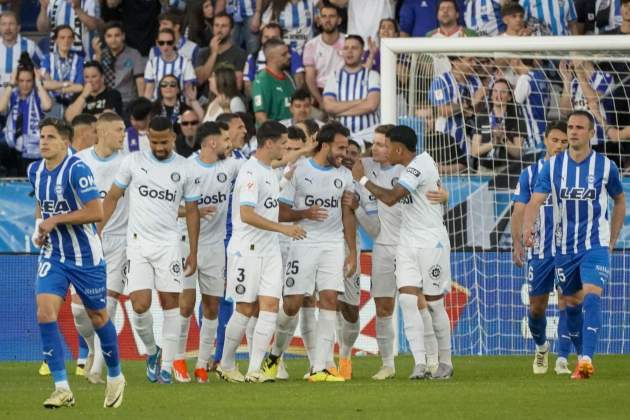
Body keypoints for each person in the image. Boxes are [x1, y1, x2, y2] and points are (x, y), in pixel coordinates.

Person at [28, 117, 125, 408]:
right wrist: (39, 228)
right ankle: (62, 387)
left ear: (66, 142)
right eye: (42, 136)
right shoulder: (34, 170)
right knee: (45, 313)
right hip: (54, 254)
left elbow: (95, 211)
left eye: (51, 137)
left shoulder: (77, 170)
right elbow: (41, 204)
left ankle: (116, 376)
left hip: (85, 256)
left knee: (98, 316)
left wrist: (55, 220)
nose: (44, 141)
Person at [523, 110, 626, 379]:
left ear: (591, 133)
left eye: (580, 127)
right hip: (564, 249)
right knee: (571, 303)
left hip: (595, 246)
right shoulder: (553, 166)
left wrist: (612, 239)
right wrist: (527, 229)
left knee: (592, 295)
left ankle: (586, 360)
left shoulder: (606, 166)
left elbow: (620, 200)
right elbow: (535, 201)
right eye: (570, 127)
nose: (573, 131)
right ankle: (579, 354)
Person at [101, 116, 201, 384]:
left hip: (169, 243)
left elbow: (192, 212)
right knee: (140, 304)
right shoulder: (133, 162)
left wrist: (193, 250)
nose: (159, 146)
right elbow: (111, 197)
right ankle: (153, 351)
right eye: (154, 141)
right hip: (137, 242)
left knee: (171, 303)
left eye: (164, 141)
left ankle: (167, 366)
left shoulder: (185, 168)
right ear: (148, 139)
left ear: (173, 138)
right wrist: (98, 229)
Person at [352, 125, 454, 380]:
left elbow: (391, 197)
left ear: (397, 149)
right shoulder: (407, 165)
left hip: (431, 242)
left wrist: (362, 179)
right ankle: (419, 363)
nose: (382, 150)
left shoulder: (420, 165)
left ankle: (445, 361)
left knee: (433, 304)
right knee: (408, 300)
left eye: (386, 145)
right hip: (407, 242)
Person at [262, 122, 357, 383]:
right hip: (303, 242)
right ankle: (274, 356)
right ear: (325, 145)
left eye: (347, 149)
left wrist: (352, 252)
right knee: (291, 305)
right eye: (340, 148)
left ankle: (319, 367)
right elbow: (280, 211)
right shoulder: (300, 170)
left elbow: (347, 215)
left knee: (329, 299)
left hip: (333, 244)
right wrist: (305, 213)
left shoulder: (345, 176)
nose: (344, 154)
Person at [217, 121, 305, 383]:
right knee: (244, 308)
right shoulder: (250, 173)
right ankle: (227, 363)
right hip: (247, 250)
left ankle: (255, 369)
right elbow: (246, 214)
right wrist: (282, 229)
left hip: (269, 250)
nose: (285, 148)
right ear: (269, 143)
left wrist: (306, 149)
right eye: (282, 143)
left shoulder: (268, 168)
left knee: (270, 306)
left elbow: (284, 160)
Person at [175, 121, 244, 383]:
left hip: (216, 246)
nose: (230, 143)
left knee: (212, 305)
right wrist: (192, 211)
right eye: (226, 139)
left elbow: (263, 163)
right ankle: (178, 359)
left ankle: (202, 364)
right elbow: (169, 207)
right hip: (185, 243)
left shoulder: (230, 165)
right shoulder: (186, 168)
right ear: (212, 143)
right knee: (185, 303)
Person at [511, 120, 575, 376]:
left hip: (570, 249)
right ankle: (541, 346)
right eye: (555, 140)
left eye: (564, 142)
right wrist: (517, 243)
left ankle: (562, 358)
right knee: (536, 309)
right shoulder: (530, 173)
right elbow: (519, 209)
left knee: (567, 302)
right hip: (539, 252)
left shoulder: (577, 172)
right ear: (546, 140)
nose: (559, 146)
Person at [76, 112, 128, 383]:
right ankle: (94, 346)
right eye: (119, 130)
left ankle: (97, 367)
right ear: (104, 131)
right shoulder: (80, 161)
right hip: (85, 240)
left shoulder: (127, 163)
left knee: (107, 304)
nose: (123, 134)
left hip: (119, 240)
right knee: (79, 312)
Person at [0, 62, 53, 176]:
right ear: (17, 81)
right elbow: (1, 108)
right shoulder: (12, 95)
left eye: (28, 81)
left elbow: (48, 106)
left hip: (34, 150)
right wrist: (11, 83)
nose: (25, 85)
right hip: (12, 151)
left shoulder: (38, 96)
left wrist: (39, 83)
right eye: (21, 81)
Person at [323, 35, 380, 139]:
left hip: (369, 136)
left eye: (354, 48)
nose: (349, 51)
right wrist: (361, 101)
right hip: (340, 137)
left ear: (362, 52)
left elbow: (371, 105)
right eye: (346, 48)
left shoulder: (372, 75)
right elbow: (329, 107)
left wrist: (339, 112)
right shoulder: (334, 76)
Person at [470, 78, 527, 175]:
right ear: (491, 94)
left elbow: (518, 153)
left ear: (509, 97)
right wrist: (493, 143)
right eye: (495, 91)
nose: (498, 95)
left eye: (503, 92)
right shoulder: (482, 117)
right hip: (484, 170)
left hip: (507, 170)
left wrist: (503, 139)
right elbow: (474, 151)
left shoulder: (517, 119)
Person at [92, 21, 146, 112]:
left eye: (117, 35)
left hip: (127, 101)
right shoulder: (100, 54)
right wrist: (97, 55)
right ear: (104, 38)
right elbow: (93, 77)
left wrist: (142, 103)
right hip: (105, 101)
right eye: (109, 36)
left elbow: (140, 81)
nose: (113, 39)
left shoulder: (134, 54)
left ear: (123, 36)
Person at [242, 22, 304, 97]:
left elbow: (299, 79)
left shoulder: (291, 53)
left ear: (281, 38)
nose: (270, 41)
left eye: (274, 38)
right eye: (266, 37)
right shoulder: (253, 57)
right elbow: (247, 85)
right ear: (261, 39)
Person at [302, 3, 344, 108]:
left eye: (332, 16)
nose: (327, 20)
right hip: (319, 93)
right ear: (319, 20)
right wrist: (321, 101)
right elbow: (310, 78)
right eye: (324, 16)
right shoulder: (311, 45)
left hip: (343, 91)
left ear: (339, 20)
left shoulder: (348, 43)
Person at [39, 25, 85, 119]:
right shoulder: (47, 58)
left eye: (69, 38)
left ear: (73, 40)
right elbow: (44, 84)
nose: (66, 41)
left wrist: (56, 87)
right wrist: (65, 84)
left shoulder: (80, 60)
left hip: (73, 103)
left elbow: (79, 87)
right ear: (55, 40)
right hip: (52, 103)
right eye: (62, 37)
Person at [195, 12, 248, 92]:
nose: (219, 30)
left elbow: (237, 86)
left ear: (232, 30)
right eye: (216, 25)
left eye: (224, 26)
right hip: (206, 100)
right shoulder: (202, 52)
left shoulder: (240, 54)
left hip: (229, 99)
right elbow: (200, 80)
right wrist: (214, 54)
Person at [251, 38, 296, 124]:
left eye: (288, 52)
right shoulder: (261, 81)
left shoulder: (288, 76)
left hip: (292, 131)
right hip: (274, 133)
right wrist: (277, 134)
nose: (289, 56)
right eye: (284, 54)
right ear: (271, 58)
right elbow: (260, 116)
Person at [143, 28, 197, 100]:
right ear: (157, 43)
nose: (165, 47)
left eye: (169, 43)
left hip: (179, 106)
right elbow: (149, 91)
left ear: (174, 43)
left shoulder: (185, 63)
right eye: (161, 43)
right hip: (157, 106)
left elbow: (188, 92)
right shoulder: (152, 63)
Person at [37, 0, 102, 58]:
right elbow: (42, 29)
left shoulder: (90, 1)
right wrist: (44, 9)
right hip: (56, 56)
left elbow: (93, 26)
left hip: (84, 57)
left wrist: (78, 9)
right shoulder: (51, 1)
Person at [0, 11, 43, 96]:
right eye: (3, 24)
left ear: (18, 27)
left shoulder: (30, 46)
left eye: (11, 24)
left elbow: (43, 68)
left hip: (22, 99)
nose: (7, 28)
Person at [399, 0, 466, 37]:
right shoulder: (412, 1)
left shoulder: (459, 1)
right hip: (422, 55)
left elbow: (462, 26)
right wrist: (406, 58)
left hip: (456, 52)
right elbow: (404, 31)